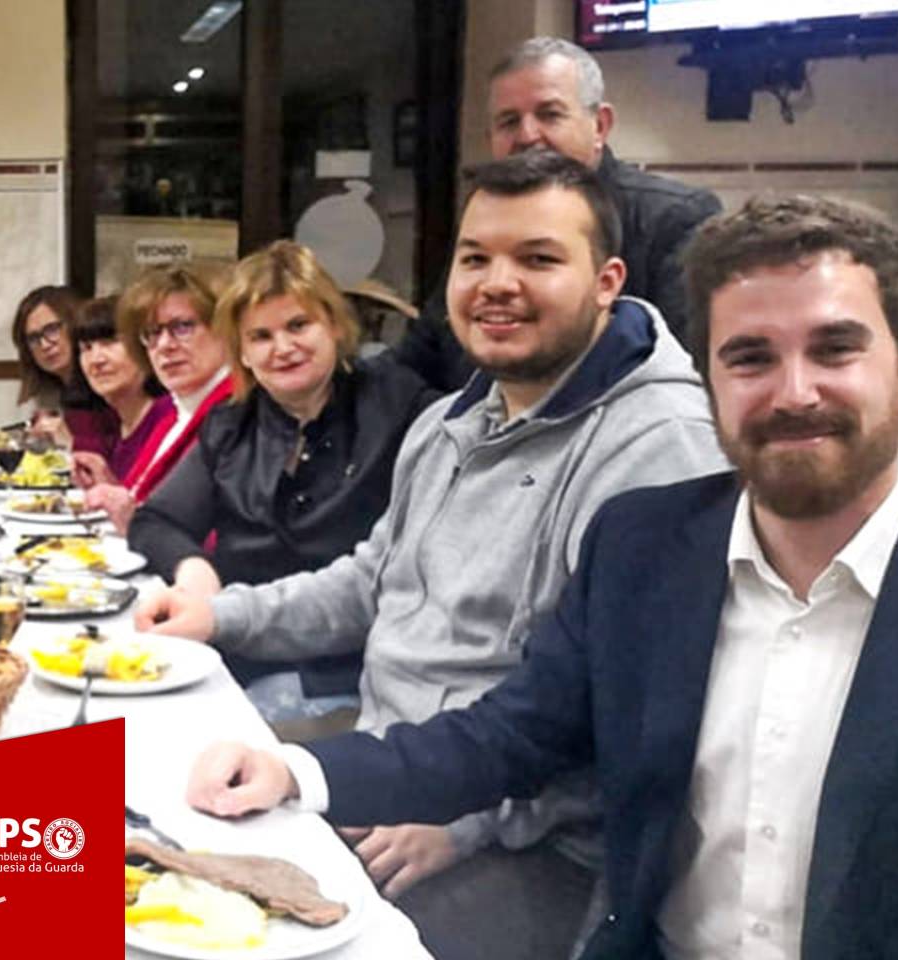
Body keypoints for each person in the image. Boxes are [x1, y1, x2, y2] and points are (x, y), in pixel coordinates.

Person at [184, 193, 898, 959]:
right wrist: (297, 770)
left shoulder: (653, 448)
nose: (793, 393)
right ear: (712, 375)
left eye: (835, 350)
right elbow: (514, 732)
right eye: (750, 358)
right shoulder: (650, 543)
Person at [138, 152, 730, 959]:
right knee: (155, 840)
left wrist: (469, 819)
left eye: (538, 258)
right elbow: (368, 583)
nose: (497, 283)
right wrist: (218, 616)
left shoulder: (661, 449)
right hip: (396, 766)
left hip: (531, 842)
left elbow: (633, 722)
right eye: (475, 258)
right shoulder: (452, 420)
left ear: (607, 281)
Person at [130, 241, 438, 699]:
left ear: (334, 325)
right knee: (86, 729)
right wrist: (194, 569)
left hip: (338, 672)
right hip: (228, 647)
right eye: (260, 336)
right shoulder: (231, 424)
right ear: (241, 352)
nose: (283, 348)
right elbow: (155, 521)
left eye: (298, 325)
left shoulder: (402, 407)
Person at [393, 35, 722, 392]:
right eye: (509, 121)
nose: (528, 135)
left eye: (549, 115)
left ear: (600, 126)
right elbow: (416, 359)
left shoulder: (673, 219)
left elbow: (693, 376)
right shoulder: (485, 223)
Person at [80, 262, 235, 531]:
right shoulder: (176, 413)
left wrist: (137, 521)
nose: (164, 345)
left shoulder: (236, 413)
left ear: (224, 329)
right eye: (153, 332)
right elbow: (142, 501)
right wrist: (111, 489)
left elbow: (224, 535)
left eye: (182, 327)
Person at [67, 295, 169, 477]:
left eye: (110, 342)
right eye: (86, 348)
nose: (96, 360)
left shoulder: (168, 417)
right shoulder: (114, 425)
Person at [9, 284, 92, 444]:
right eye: (34, 338)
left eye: (52, 329)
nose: (45, 345)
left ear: (74, 325)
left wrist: (72, 439)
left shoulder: (101, 384)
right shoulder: (47, 391)